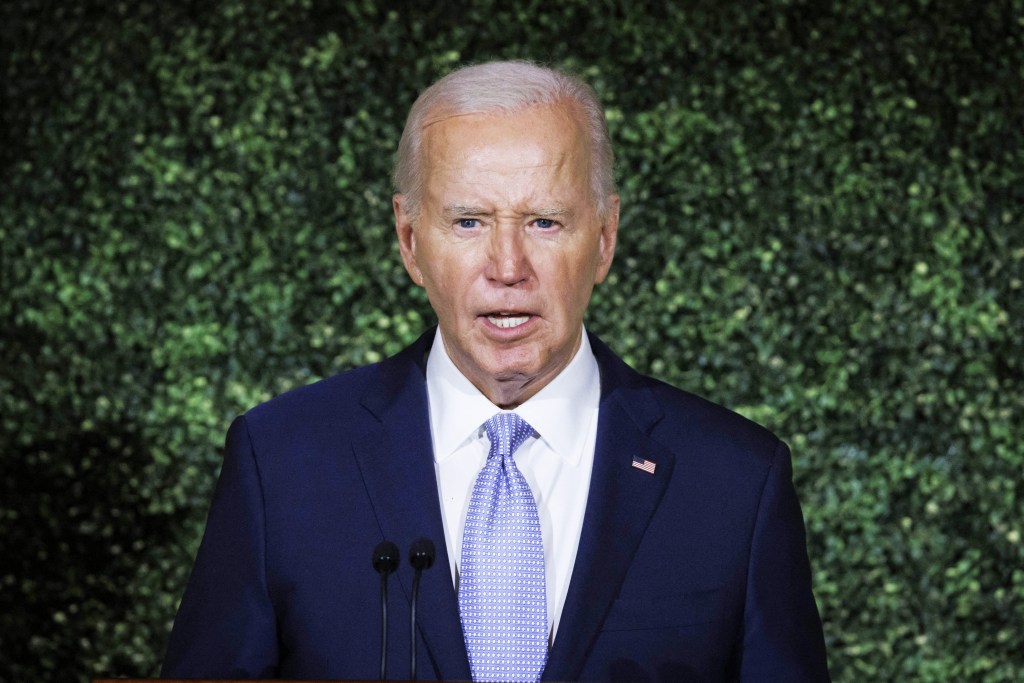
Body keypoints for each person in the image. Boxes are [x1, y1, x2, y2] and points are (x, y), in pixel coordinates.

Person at [162, 60, 830, 681]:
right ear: (410, 240)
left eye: (544, 221)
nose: (507, 266)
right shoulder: (280, 463)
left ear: (604, 237)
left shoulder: (737, 481)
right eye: (469, 220)